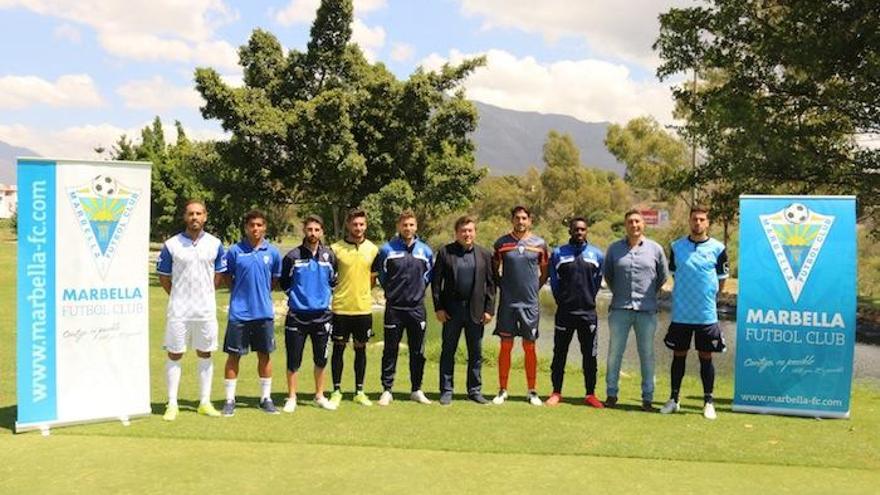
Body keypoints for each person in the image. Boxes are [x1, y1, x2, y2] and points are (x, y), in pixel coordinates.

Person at [156, 200, 227, 421]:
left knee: (205, 353)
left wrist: (205, 294)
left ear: (205, 216)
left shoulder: (215, 244)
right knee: (175, 353)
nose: (194, 217)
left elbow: (218, 276)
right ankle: (172, 403)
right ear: (184, 217)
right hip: (179, 311)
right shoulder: (171, 244)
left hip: (205, 311)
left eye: (199, 213)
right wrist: (179, 296)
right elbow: (164, 277)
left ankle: (204, 402)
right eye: (190, 214)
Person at [660, 206, 729, 419]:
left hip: (705, 314)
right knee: (678, 355)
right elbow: (674, 274)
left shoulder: (718, 248)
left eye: (701, 219)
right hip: (682, 312)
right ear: (689, 222)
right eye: (694, 219)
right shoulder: (677, 246)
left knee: (705, 356)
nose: (697, 223)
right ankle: (674, 399)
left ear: (707, 223)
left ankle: (708, 401)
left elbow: (722, 280)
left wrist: (709, 297)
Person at [603, 209, 668, 411]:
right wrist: (620, 294)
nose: (634, 225)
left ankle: (647, 398)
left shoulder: (656, 249)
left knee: (647, 354)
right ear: (625, 225)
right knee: (615, 353)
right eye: (630, 221)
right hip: (620, 309)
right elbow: (609, 276)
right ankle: (611, 395)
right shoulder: (614, 249)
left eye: (637, 221)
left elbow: (662, 277)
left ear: (643, 224)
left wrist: (649, 294)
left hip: (646, 310)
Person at [220, 210, 283, 416]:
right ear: (246, 228)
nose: (255, 229)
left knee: (264, 356)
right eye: (251, 225)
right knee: (233, 357)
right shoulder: (235, 251)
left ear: (264, 227)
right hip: (239, 314)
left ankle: (265, 398)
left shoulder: (272, 252)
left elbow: (274, 281)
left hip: (263, 313)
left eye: (259, 225)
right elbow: (228, 277)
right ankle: (230, 399)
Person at [433, 215, 496, 405]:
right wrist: (439, 308)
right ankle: (446, 390)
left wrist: (489, 310)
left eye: (470, 230)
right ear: (457, 233)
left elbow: (491, 285)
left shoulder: (484, 254)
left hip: (476, 311)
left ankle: (474, 390)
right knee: (448, 351)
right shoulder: (446, 253)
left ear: (474, 232)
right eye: (463, 231)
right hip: (452, 311)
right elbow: (436, 284)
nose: (467, 234)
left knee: (475, 353)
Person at [373, 210, 434, 406]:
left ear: (416, 227)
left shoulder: (425, 250)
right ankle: (387, 390)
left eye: (411, 225)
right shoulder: (386, 250)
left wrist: (417, 291)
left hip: (417, 308)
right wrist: (392, 290)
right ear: (399, 226)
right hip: (394, 308)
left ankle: (416, 389)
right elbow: (381, 275)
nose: (408, 228)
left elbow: (428, 276)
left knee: (418, 351)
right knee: (390, 350)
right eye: (404, 225)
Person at [279, 215, 338, 412]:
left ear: (322, 231)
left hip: (322, 316)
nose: (313, 233)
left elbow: (333, 281)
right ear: (304, 230)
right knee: (293, 359)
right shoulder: (292, 257)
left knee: (321, 358)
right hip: (297, 315)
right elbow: (285, 284)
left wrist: (320, 298)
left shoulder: (329, 256)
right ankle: (292, 397)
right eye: (309, 229)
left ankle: (319, 395)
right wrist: (300, 300)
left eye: (317, 230)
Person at [491, 206, 549, 406]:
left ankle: (532, 391)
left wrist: (533, 289)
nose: (521, 221)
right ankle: (502, 390)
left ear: (530, 220)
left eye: (524, 218)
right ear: (512, 220)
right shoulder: (501, 243)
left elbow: (544, 272)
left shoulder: (540, 244)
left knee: (529, 346)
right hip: (508, 304)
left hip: (530, 305)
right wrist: (505, 288)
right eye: (517, 218)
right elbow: (494, 271)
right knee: (505, 346)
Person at [546, 217, 605, 408]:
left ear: (586, 231)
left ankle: (590, 394)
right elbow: (554, 282)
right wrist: (562, 301)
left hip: (588, 313)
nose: (579, 232)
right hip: (565, 312)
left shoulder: (597, 255)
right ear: (570, 231)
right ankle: (556, 392)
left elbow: (596, 282)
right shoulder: (558, 254)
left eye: (583, 229)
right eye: (576, 229)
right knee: (559, 353)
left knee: (590, 355)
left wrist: (587, 299)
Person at [329, 208, 379, 407]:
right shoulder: (335, 249)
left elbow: (373, 280)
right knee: (338, 350)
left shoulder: (374, 250)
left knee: (361, 350)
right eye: (355, 224)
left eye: (362, 224)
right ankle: (336, 390)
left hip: (363, 309)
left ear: (366, 226)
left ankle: (359, 391)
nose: (358, 228)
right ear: (348, 225)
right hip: (341, 308)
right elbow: (329, 277)